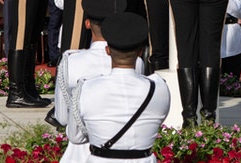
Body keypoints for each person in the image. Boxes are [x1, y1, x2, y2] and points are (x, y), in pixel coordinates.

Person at [67, 12, 170, 163]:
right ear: (140, 52)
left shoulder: (85, 88)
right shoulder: (160, 88)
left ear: (107, 50)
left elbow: (75, 137)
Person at [50, 0, 132, 163]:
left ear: (87, 24)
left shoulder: (71, 61)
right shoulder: (135, 62)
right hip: (128, 150)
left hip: (83, 150)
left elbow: (62, 117)